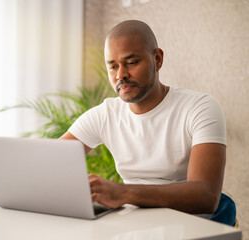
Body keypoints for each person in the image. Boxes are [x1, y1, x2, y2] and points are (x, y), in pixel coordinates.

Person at [60, 20, 227, 216]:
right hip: (133, 223)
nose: (121, 75)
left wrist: (124, 192)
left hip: (187, 223)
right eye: (112, 67)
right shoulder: (105, 114)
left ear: (157, 59)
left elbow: (205, 197)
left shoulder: (200, 107)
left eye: (131, 63)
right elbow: (49, 163)